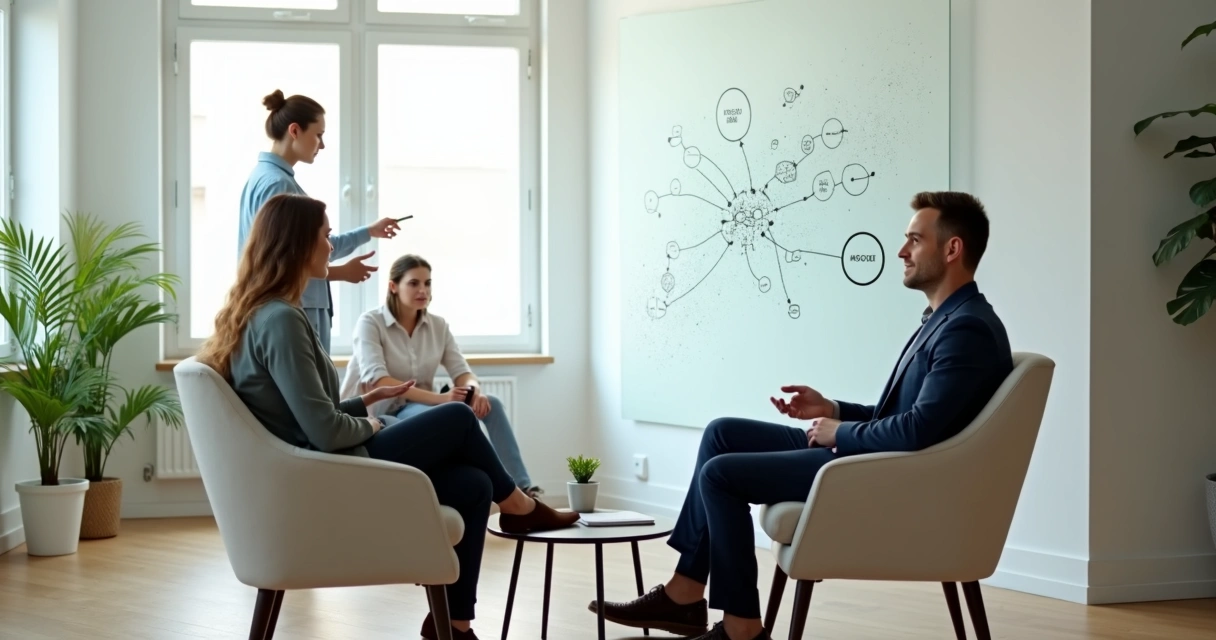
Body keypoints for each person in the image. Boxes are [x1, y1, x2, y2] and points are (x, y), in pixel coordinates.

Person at [591, 191, 1014, 640]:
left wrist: (841, 433)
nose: (901, 250)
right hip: (873, 455)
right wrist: (832, 410)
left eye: (914, 239)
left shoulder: (966, 329)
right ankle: (685, 594)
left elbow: (918, 430)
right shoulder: (943, 320)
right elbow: (903, 415)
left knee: (720, 476)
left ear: (952, 249)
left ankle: (741, 629)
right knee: (721, 434)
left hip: (880, 472)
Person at [200, 193, 579, 640]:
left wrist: (367, 401)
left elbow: (308, 415)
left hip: (320, 462)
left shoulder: (267, 314)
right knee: (458, 417)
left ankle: (455, 626)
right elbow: (323, 431)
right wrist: (373, 422)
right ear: (298, 244)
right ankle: (519, 506)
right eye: (325, 237)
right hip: (328, 468)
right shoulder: (281, 319)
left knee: (476, 487)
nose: (331, 246)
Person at [340, 254, 543, 497]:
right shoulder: (370, 322)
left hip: (419, 407)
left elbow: (463, 372)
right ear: (393, 286)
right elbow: (379, 381)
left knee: (492, 404)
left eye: (427, 283)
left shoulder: (438, 326)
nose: (423, 290)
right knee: (453, 415)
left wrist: (473, 391)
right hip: (378, 413)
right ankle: (501, 489)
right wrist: (444, 400)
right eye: (414, 283)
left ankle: (524, 489)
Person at [238, 89, 401, 354]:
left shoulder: (268, 178)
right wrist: (341, 273)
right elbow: (281, 262)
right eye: (318, 135)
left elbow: (308, 248)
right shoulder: (278, 185)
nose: (321, 145)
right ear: (294, 131)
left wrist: (369, 231)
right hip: (298, 307)